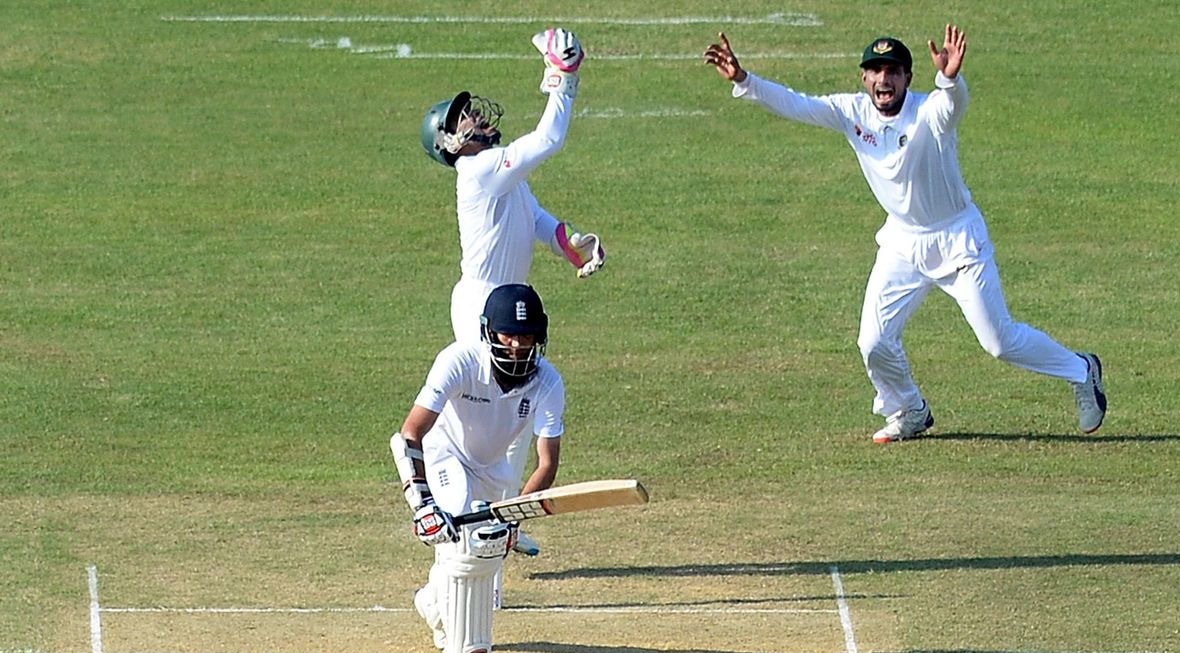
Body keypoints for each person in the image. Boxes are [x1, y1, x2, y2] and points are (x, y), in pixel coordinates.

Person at [704, 25, 1106, 442]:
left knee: (999, 343)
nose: (884, 79)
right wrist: (744, 80)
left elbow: (953, 105)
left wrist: (949, 80)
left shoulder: (930, 113)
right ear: (864, 79)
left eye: (893, 71)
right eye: (875, 71)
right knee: (873, 342)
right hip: (902, 243)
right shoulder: (851, 112)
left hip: (957, 239)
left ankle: (1081, 370)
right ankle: (909, 410)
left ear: (908, 79)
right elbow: (796, 104)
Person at [420, 28, 605, 552]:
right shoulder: (478, 171)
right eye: (462, 119)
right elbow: (549, 140)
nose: (475, 117)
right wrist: (562, 80)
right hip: (481, 305)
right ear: (451, 142)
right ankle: (471, 511)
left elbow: (538, 220)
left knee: (519, 415)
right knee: (496, 416)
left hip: (507, 301)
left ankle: (506, 518)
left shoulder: (504, 180)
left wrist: (573, 245)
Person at [389, 283, 565, 653]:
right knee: (467, 543)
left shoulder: (548, 381)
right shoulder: (459, 360)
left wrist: (514, 519)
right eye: (510, 335)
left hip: (492, 468)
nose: (519, 345)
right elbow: (411, 433)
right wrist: (423, 505)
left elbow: (547, 462)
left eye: (527, 336)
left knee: (489, 547)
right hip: (444, 454)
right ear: (489, 332)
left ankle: (434, 604)